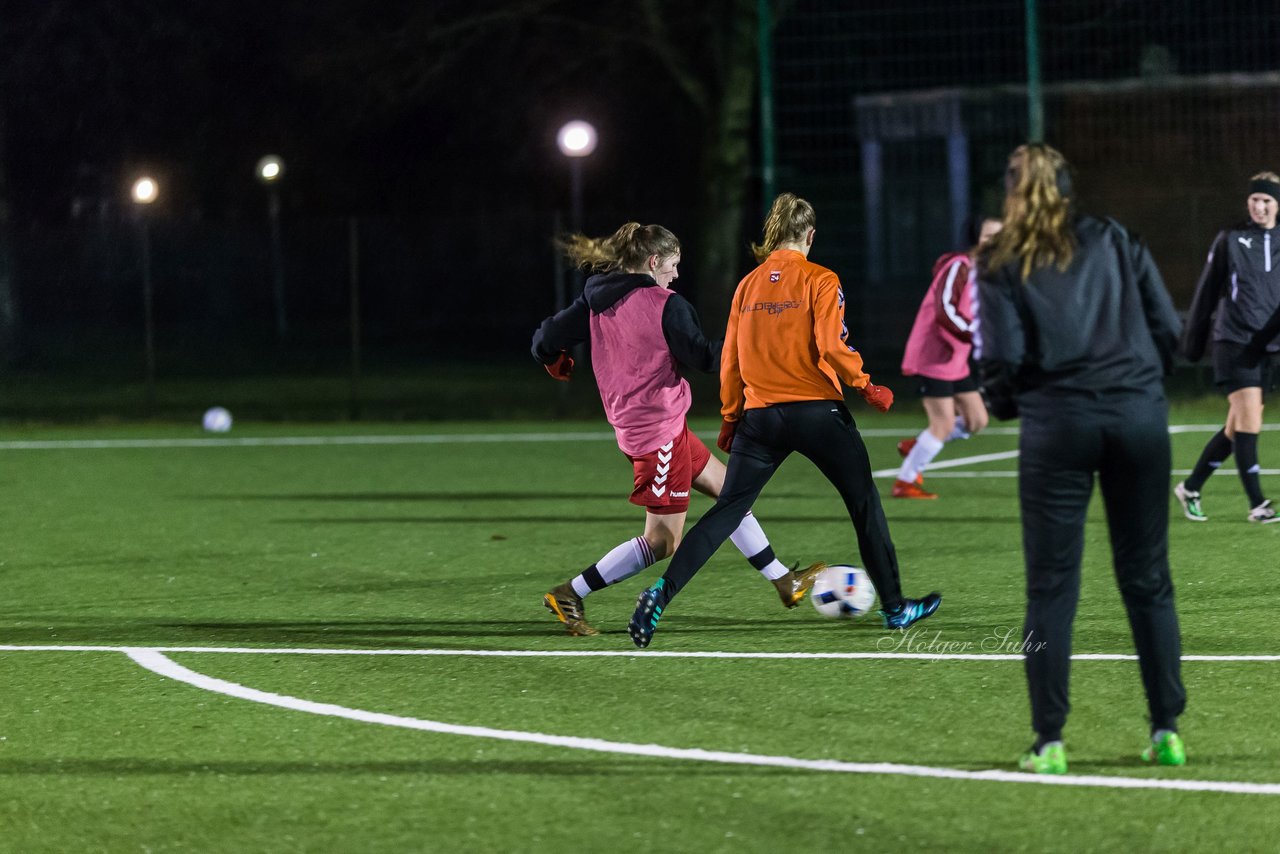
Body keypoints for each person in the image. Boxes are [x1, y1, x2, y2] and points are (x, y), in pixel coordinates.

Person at [627, 193, 942, 649]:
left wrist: (731, 417)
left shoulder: (748, 285)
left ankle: (660, 593)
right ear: (810, 236)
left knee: (727, 511)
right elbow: (831, 345)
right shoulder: (821, 279)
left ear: (773, 234)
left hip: (760, 418)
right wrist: (866, 385)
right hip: (817, 412)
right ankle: (896, 609)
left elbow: (731, 359)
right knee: (864, 504)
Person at [976, 143, 1187, 775]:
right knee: (1147, 579)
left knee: (1052, 587)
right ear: (1068, 189)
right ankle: (1166, 731)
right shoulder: (1116, 237)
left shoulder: (1000, 261)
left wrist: (1012, 403)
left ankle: (1050, 742)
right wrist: (1144, 387)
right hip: (1138, 418)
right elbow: (1168, 331)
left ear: (1011, 191)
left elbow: (1003, 364)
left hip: (1058, 426)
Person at [532, 222, 824, 637]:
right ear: (653, 262)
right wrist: (756, 339)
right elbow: (707, 359)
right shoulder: (664, 303)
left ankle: (783, 581)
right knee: (662, 542)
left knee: (731, 493)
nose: (676, 274)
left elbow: (547, 336)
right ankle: (570, 592)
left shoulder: (596, 299)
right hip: (657, 436)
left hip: (646, 425)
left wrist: (550, 357)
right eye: (673, 264)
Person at [1175, 172, 1280, 524]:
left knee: (1237, 426)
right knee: (1249, 419)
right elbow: (1207, 292)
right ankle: (1258, 505)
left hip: (1267, 347)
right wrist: (1192, 343)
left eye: (1267, 200)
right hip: (1233, 340)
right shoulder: (1231, 238)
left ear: (1277, 204)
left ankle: (1190, 487)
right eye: (1255, 200)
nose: (1260, 206)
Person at [893, 214, 1002, 499]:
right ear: (975, 239)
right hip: (933, 356)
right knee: (942, 424)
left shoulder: (988, 272)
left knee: (977, 419)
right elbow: (945, 309)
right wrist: (977, 336)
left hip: (955, 359)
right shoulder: (959, 265)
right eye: (990, 236)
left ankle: (918, 445)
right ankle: (904, 482)